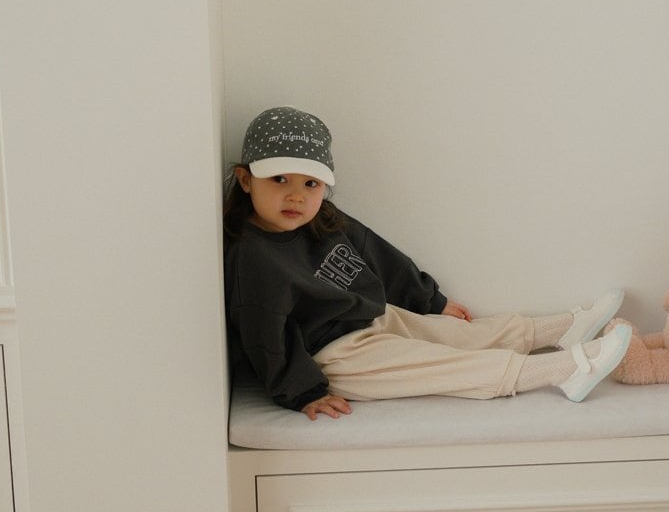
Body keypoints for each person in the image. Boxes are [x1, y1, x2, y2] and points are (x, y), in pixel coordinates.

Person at [224, 106, 630, 420]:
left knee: (457, 334)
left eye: (310, 183)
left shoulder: (322, 220)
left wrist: (430, 301)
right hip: (334, 356)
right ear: (245, 180)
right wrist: (303, 393)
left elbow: (379, 255)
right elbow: (264, 335)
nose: (296, 196)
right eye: (279, 179)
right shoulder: (253, 257)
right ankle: (565, 370)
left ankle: (562, 329)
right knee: (446, 365)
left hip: (371, 319)